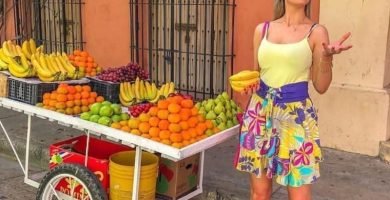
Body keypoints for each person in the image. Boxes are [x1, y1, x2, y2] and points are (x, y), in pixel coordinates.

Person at [234, 0, 352, 199]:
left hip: (295, 119)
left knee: (299, 195)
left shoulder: (316, 32)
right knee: (259, 193)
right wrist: (250, 85)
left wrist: (327, 57)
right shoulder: (261, 30)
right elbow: (257, 74)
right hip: (260, 115)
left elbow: (321, 87)